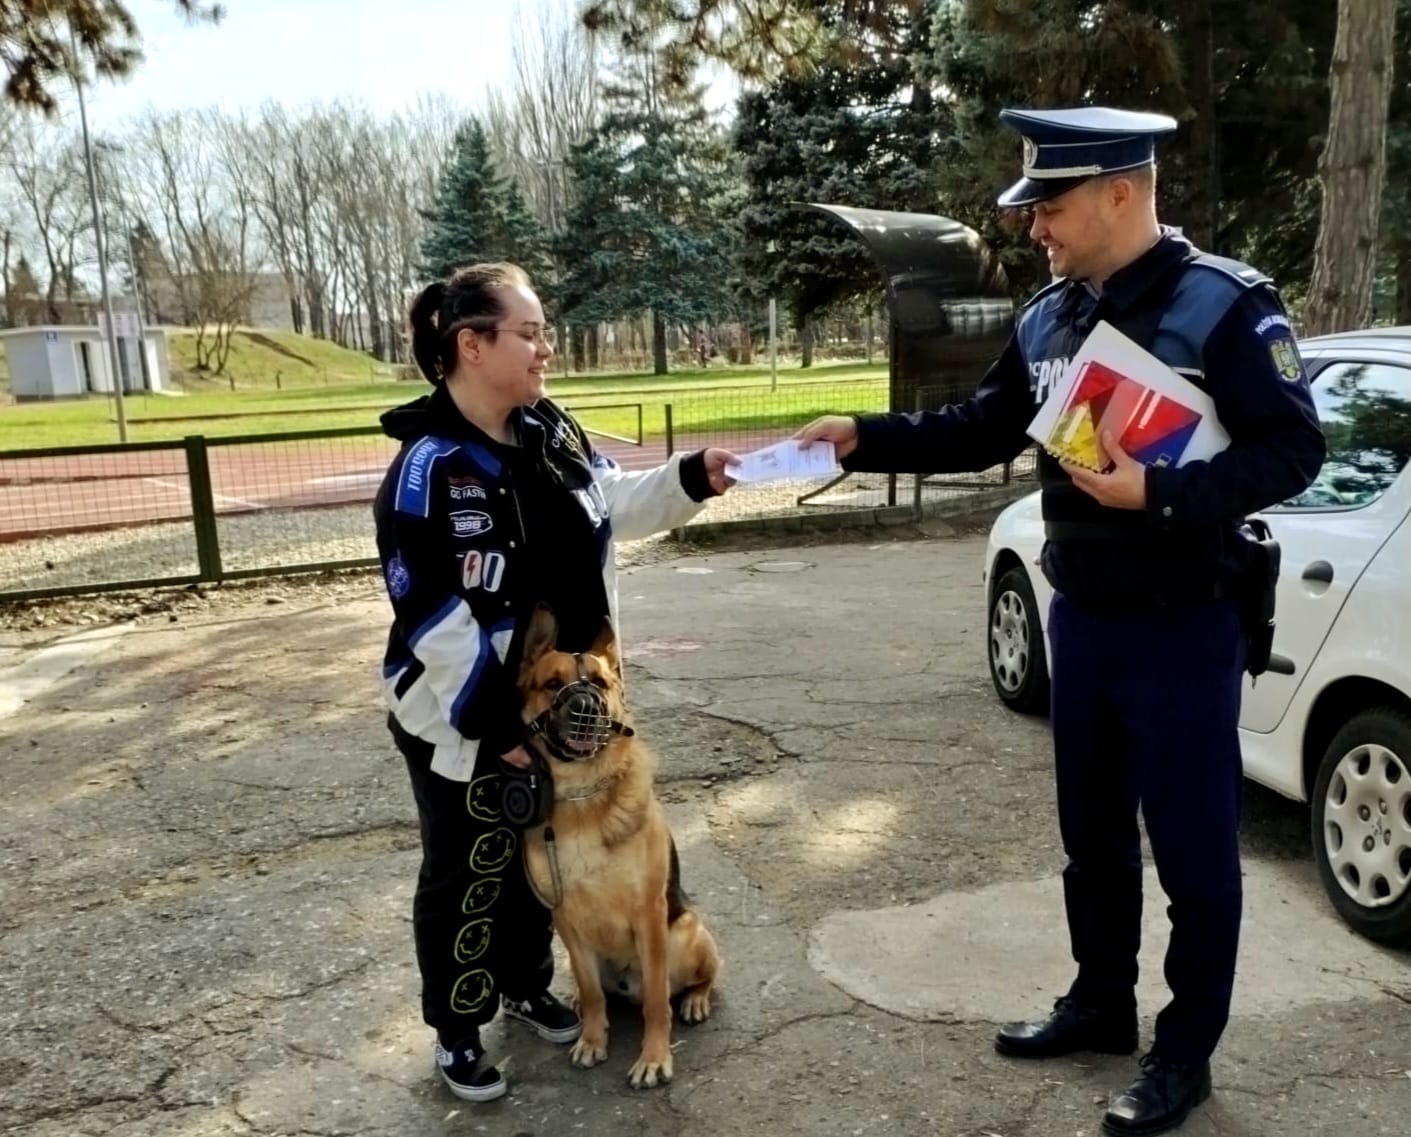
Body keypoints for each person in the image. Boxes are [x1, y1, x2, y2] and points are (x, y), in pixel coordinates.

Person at [798, 107, 1324, 1136]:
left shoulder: (1222, 307)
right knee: (1090, 840)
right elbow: (981, 426)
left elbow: (1292, 449)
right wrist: (863, 437)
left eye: (1051, 203)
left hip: (1183, 625)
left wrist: (1161, 495)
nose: (1035, 224)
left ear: (1121, 191)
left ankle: (1184, 1055)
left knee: (1194, 854)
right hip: (1079, 618)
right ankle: (1099, 1003)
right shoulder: (1050, 317)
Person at [373, 262, 736, 1103]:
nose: (546, 348)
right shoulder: (425, 472)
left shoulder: (551, 430)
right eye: (529, 333)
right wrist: (500, 727)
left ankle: (527, 983)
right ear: (473, 344)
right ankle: (458, 1028)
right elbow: (433, 621)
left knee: (542, 866)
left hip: (574, 706)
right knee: (468, 870)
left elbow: (610, 500)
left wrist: (691, 477)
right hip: (467, 720)